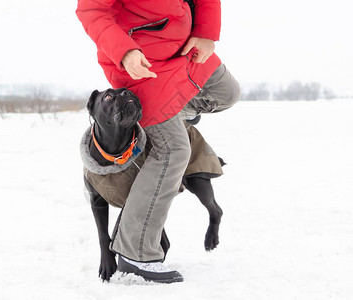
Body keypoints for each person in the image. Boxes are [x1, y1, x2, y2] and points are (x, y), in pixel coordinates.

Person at [76, 0, 240, 283]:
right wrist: (124, 51)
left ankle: (173, 112)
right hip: (142, 66)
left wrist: (207, 32)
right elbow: (91, 10)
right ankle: (135, 252)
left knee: (227, 93)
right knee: (175, 149)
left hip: (187, 50)